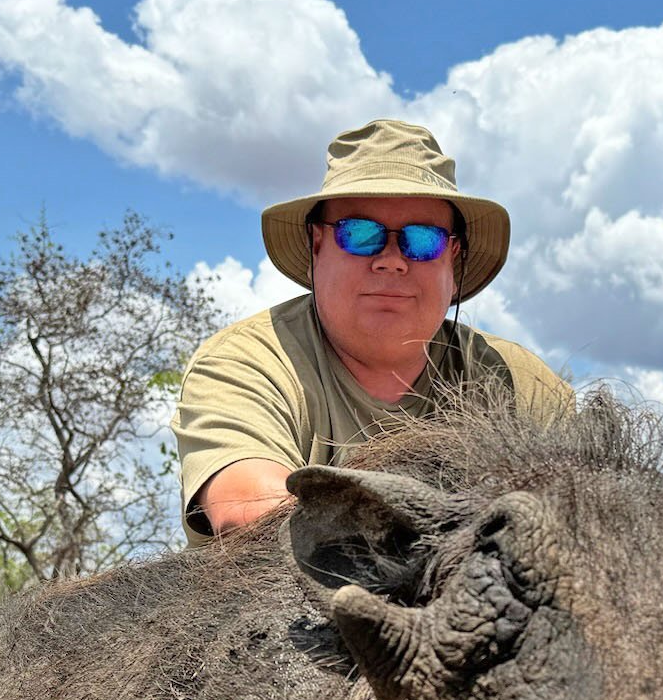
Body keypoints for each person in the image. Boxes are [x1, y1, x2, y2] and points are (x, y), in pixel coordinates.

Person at [172, 119, 571, 540]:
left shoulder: (522, 385)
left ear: (452, 257)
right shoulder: (245, 364)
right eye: (360, 234)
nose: (392, 259)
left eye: (423, 239)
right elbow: (249, 512)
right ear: (316, 246)